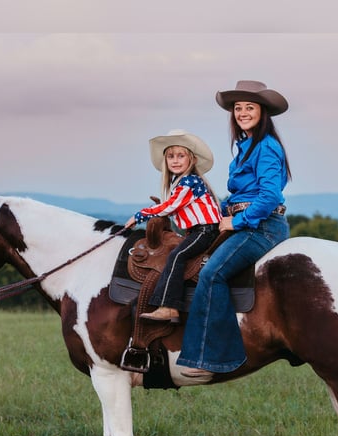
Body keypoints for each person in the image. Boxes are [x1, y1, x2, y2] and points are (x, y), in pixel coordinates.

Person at [177, 80, 292, 377]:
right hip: (247, 221)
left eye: (249, 108)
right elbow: (240, 196)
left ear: (262, 112)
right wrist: (211, 210)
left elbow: (268, 196)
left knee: (212, 273)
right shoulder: (245, 146)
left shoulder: (266, 147)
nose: (242, 113)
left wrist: (237, 221)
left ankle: (210, 357)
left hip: (262, 227)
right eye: (238, 108)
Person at [125, 129, 222, 323]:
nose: (175, 160)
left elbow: (171, 206)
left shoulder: (190, 181)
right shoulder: (181, 182)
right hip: (197, 230)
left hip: (205, 230)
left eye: (180, 155)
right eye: (170, 156)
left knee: (177, 255)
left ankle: (169, 306)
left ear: (192, 160)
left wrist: (141, 214)